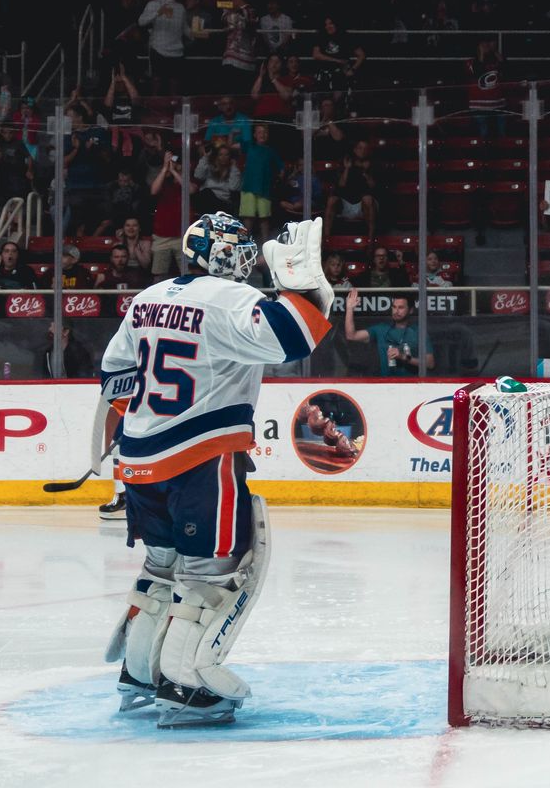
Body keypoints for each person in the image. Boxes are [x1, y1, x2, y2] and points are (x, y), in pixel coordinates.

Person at [100, 213, 333, 725]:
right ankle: (187, 688)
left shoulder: (148, 297)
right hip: (201, 459)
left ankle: (139, 674)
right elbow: (295, 337)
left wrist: (145, 424)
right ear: (224, 256)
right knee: (208, 577)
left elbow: (114, 373)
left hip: (139, 459)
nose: (248, 259)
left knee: (160, 569)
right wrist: (300, 282)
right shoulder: (229, 300)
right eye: (241, 250)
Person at [344, 294, 427, 376]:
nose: (396, 311)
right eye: (394, 307)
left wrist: (403, 357)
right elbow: (351, 336)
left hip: (412, 386)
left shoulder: (419, 332)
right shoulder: (381, 329)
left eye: (400, 307)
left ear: (411, 310)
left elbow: (430, 364)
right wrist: (350, 309)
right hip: (385, 385)